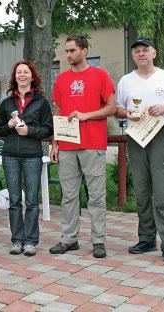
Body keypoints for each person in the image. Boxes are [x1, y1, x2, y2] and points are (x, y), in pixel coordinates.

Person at [115, 38, 164, 262]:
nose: (141, 54)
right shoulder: (126, 81)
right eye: (136, 51)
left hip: (160, 135)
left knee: (163, 191)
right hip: (136, 136)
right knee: (142, 190)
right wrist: (127, 113)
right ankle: (146, 239)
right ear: (133, 55)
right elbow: (117, 109)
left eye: (145, 50)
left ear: (154, 52)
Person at [49, 35, 116, 258]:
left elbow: (111, 107)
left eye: (72, 51)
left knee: (96, 196)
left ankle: (98, 241)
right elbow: (58, 112)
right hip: (67, 145)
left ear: (84, 51)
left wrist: (86, 116)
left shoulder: (100, 75)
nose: (68, 55)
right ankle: (69, 239)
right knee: (68, 196)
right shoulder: (61, 79)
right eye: (66, 51)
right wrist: (55, 143)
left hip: (92, 143)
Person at [0, 61, 53, 256]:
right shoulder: (6, 103)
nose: (22, 75)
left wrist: (29, 130)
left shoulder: (41, 102)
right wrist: (9, 125)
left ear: (32, 76)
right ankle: (16, 240)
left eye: (25, 72)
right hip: (10, 155)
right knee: (15, 201)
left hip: (32, 156)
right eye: (18, 72)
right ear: (15, 77)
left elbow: (48, 129)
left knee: (32, 201)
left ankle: (30, 241)